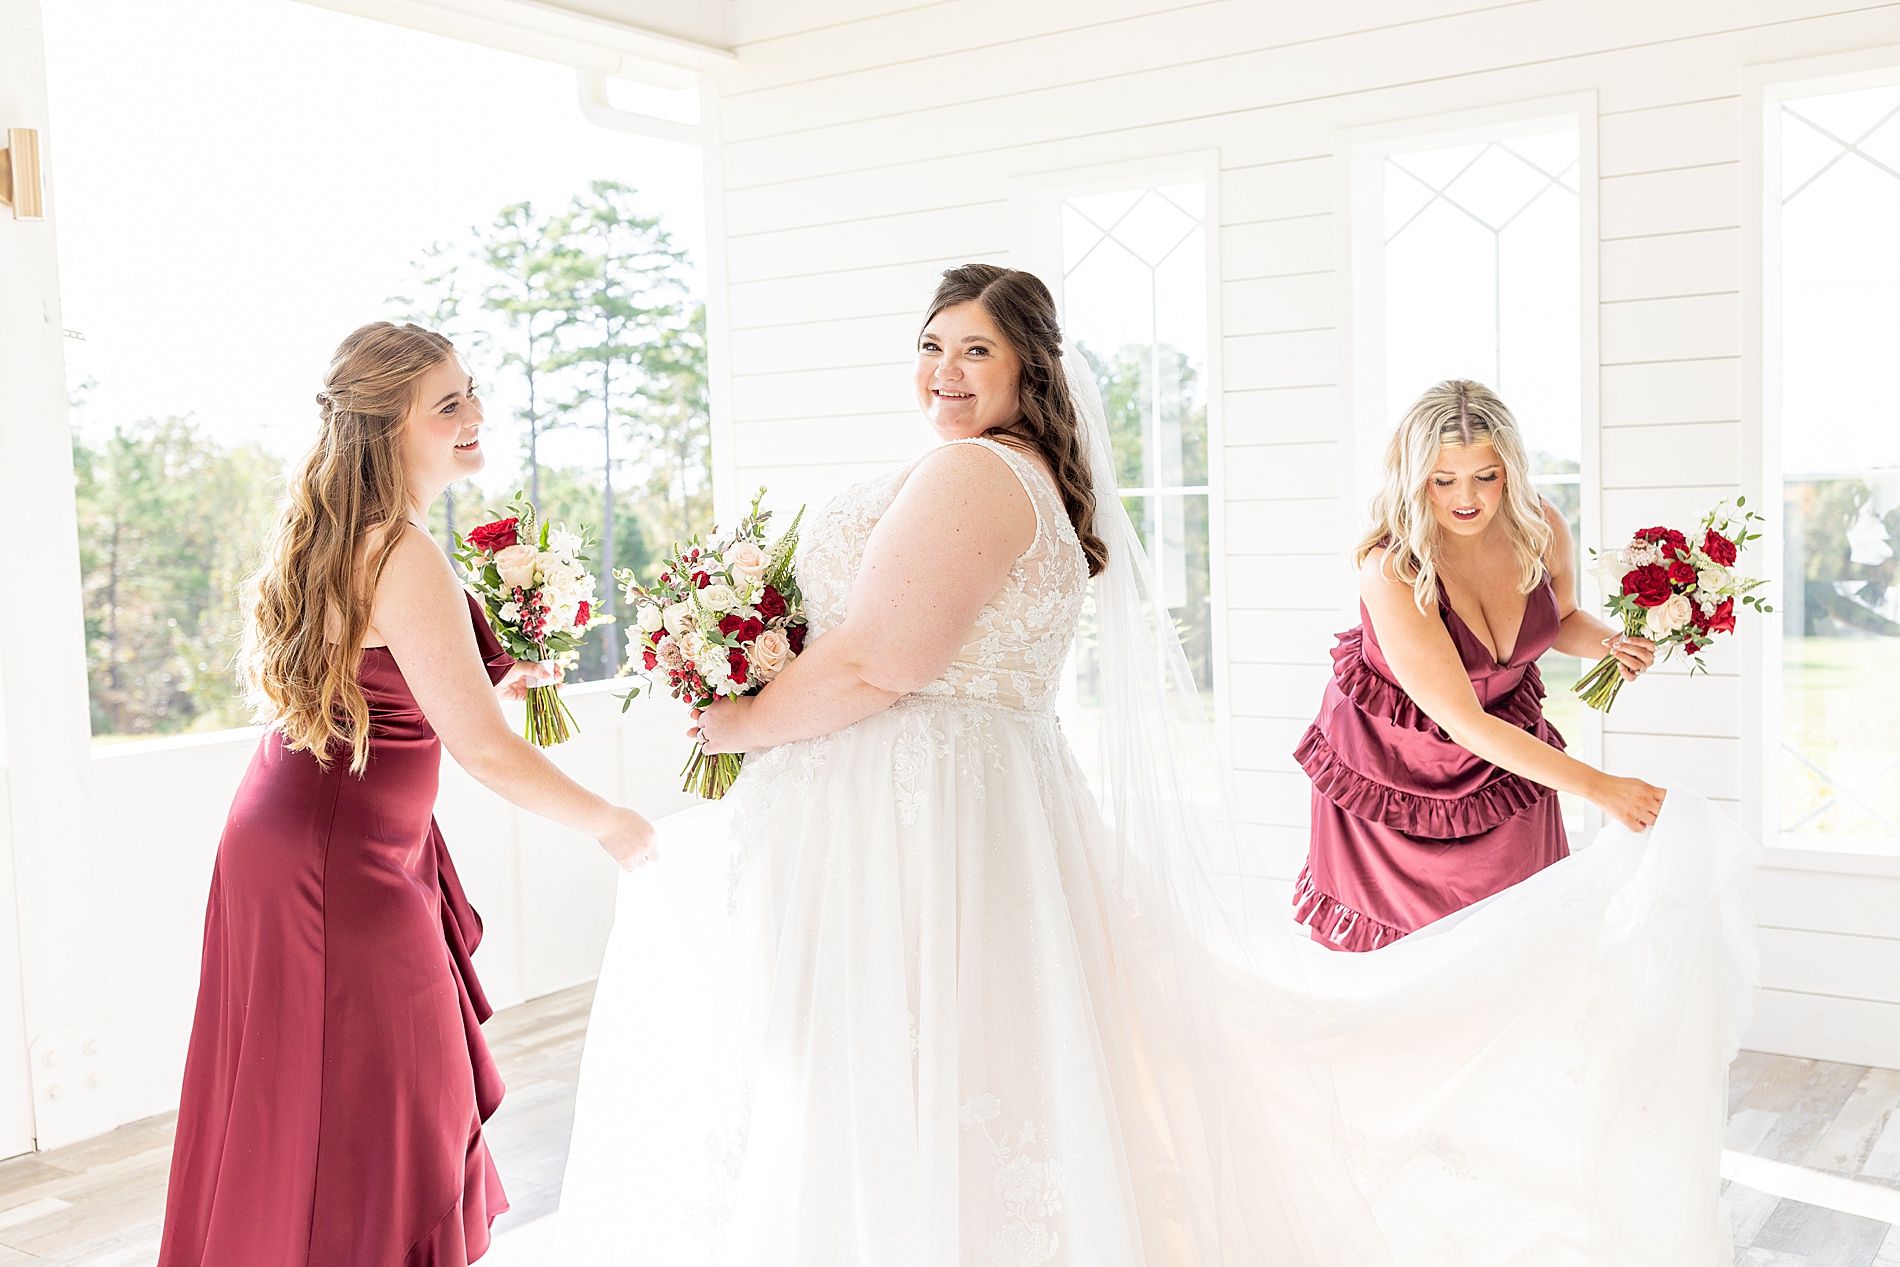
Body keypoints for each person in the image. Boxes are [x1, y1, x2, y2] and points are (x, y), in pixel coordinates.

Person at [555, 272, 1756, 1266]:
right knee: (949, 1058)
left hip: (919, 809)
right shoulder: (1020, 477)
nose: (945, 371)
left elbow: (879, 659)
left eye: (977, 350)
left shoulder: (977, 473)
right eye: (930, 346)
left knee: (894, 1060)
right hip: (966, 805)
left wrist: (737, 718)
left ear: (1030, 369)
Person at [157, 322, 655, 1267]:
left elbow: (394, 687)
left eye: (472, 391)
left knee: (315, 1099)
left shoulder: (357, 533)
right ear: (387, 426)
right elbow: (484, 751)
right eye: (449, 404)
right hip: (335, 855)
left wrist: (486, 670)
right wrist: (612, 823)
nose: (477, 415)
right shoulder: (404, 551)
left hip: (295, 828)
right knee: (389, 1110)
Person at [1292, 380, 1662, 951]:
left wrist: (1613, 644)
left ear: (1510, 470)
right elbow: (1463, 721)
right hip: (1396, 784)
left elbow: (1559, 616)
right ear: (1415, 477)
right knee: (1411, 963)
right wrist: (1601, 788)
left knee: (1519, 941)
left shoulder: (1539, 528)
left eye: (1486, 476)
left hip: (1506, 765)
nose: (1467, 498)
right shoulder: (1393, 568)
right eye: (1444, 481)